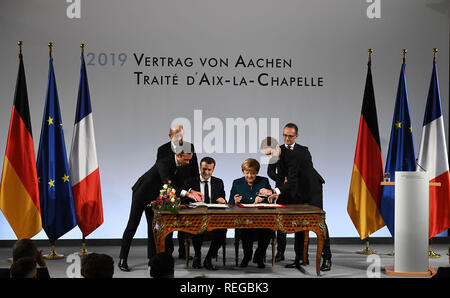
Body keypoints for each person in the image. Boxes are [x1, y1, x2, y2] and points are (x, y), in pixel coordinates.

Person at [118, 144, 203, 272]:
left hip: (154, 198)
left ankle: (152, 261)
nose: (188, 162)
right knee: (132, 226)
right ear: (178, 155)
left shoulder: (179, 164)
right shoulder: (163, 162)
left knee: (154, 229)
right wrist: (187, 194)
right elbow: (168, 184)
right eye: (186, 159)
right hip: (141, 194)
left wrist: (192, 191)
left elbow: (179, 183)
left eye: (190, 159)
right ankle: (122, 259)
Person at [261, 123, 332, 272]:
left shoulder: (301, 152)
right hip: (295, 190)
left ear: (296, 136)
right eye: (284, 135)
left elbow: (296, 177)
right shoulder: (277, 151)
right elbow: (274, 173)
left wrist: (277, 188)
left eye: (290, 136)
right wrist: (281, 179)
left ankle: (327, 257)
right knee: (299, 222)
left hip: (312, 189)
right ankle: (300, 258)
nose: (287, 138)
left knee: (319, 222)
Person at [157, 124, 199, 260]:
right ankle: (167, 253)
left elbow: (194, 171)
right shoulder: (162, 150)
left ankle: (183, 252)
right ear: (170, 136)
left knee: (184, 223)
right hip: (170, 191)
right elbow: (161, 173)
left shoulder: (189, 147)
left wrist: (192, 190)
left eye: (181, 135)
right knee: (168, 222)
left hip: (186, 190)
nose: (180, 138)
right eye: (176, 135)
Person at [184, 157, 227, 270]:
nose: (206, 172)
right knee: (198, 227)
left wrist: (224, 201)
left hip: (214, 219)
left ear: (213, 169)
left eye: (209, 170)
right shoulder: (190, 182)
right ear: (200, 167)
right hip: (196, 218)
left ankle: (208, 258)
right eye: (204, 169)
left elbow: (223, 199)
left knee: (222, 230)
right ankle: (197, 256)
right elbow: (184, 203)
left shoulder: (219, 182)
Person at [229, 158, 272, 269]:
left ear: (257, 172)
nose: (250, 176)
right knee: (246, 231)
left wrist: (263, 198)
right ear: (243, 171)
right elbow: (230, 202)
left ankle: (259, 256)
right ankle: (247, 256)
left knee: (268, 231)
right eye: (247, 172)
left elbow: (271, 198)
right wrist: (235, 201)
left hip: (262, 217)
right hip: (245, 217)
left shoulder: (264, 181)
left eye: (253, 173)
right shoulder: (237, 183)